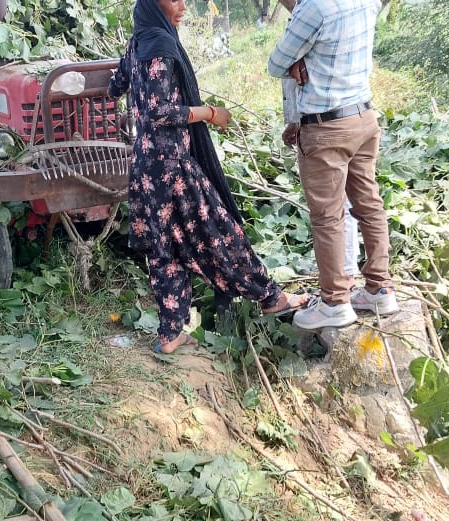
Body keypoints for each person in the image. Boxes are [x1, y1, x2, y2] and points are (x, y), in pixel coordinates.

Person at [109, 0, 309, 354]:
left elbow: (116, 86)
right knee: (220, 232)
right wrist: (210, 113)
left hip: (145, 164)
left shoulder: (139, 41)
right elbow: (159, 112)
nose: (183, 5)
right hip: (171, 164)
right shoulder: (160, 46)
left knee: (163, 247)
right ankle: (270, 296)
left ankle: (171, 333)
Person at [268, 0, 398, 330]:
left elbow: (276, 63)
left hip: (327, 127)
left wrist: (295, 58)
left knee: (328, 217)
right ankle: (379, 289)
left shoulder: (315, 7)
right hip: (364, 117)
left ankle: (335, 302)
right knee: (369, 205)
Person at [281, 70, 362, 278]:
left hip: (326, 124)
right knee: (345, 203)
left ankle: (342, 278)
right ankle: (358, 275)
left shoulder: (307, 37)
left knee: (332, 208)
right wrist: (294, 121)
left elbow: (278, 64)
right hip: (332, 120)